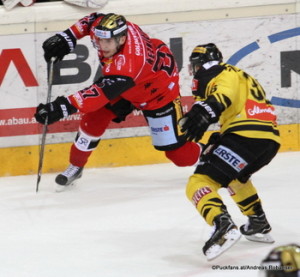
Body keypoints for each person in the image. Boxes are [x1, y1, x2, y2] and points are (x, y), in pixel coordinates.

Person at [34, 13, 202, 191]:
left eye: (107, 42)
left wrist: (60, 108)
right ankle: (76, 165)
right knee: (94, 119)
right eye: (99, 40)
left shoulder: (128, 65)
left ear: (122, 39)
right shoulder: (110, 29)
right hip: (133, 81)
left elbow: (97, 94)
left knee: (179, 156)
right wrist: (67, 37)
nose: (102, 46)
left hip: (157, 93)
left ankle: (210, 155)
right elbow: (92, 19)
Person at [179, 43, 281, 260]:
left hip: (244, 137)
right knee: (236, 177)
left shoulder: (217, 71)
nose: (194, 72)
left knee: (198, 182)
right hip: (269, 141)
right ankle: (258, 222)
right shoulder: (244, 76)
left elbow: (222, 95)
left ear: (199, 65)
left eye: (195, 67)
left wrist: (206, 109)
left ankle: (222, 224)